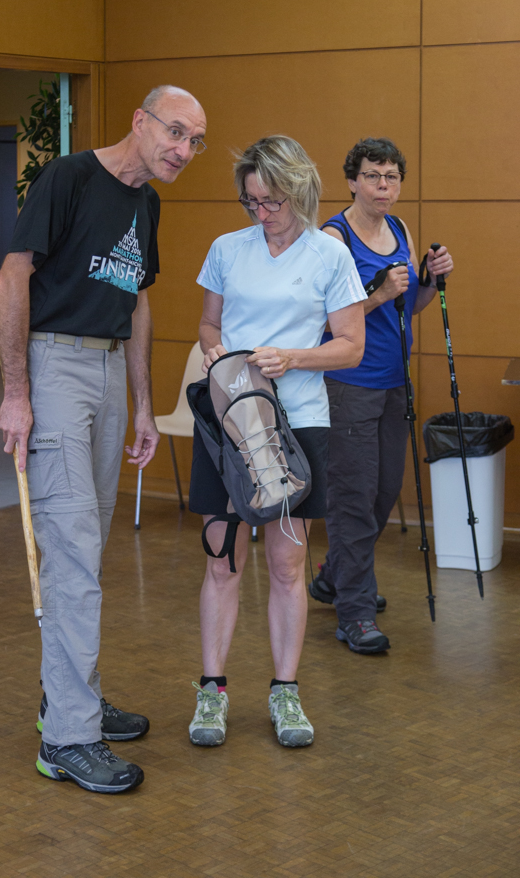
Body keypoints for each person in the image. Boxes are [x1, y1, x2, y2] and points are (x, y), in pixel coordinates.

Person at [0, 85, 207, 793]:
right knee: (72, 551)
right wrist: (17, 393)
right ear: (140, 121)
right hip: (56, 365)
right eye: (175, 132)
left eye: (195, 142)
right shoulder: (69, 177)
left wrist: (144, 403)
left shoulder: (147, 203)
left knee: (86, 548)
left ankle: (68, 696)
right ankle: (68, 738)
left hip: (111, 370)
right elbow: (12, 277)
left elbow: (137, 301)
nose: (183, 150)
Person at [188, 135, 366, 748]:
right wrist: (216, 350)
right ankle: (212, 691)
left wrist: (291, 357)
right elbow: (209, 322)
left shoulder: (329, 255)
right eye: (251, 202)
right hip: (230, 422)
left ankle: (285, 692)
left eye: (271, 201)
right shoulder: (226, 249)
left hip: (299, 424)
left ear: (299, 191)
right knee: (222, 561)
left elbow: (351, 345)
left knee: (288, 565)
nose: (261, 213)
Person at [309, 137, 454, 654]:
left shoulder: (399, 230)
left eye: (391, 177)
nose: (383, 186)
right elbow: (327, 321)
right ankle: (355, 612)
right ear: (352, 181)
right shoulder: (334, 237)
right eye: (372, 175)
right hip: (349, 383)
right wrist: (380, 293)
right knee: (352, 498)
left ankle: (335, 575)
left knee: (384, 491)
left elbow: (408, 306)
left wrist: (430, 281)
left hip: (395, 382)